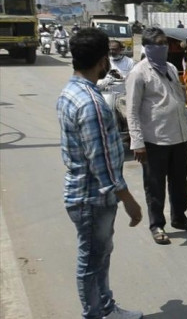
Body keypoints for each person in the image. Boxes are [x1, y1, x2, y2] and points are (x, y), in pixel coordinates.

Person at [56, 28, 143, 319]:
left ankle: (105, 308)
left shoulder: (71, 92)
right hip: (92, 197)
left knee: (98, 257)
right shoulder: (92, 104)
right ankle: (94, 314)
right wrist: (129, 200)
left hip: (85, 193)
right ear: (104, 60)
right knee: (92, 261)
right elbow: (101, 164)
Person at [126, 27, 187, 245]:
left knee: (179, 181)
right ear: (148, 47)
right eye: (157, 44)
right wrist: (137, 142)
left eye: (164, 44)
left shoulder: (170, 68)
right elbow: (131, 110)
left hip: (178, 137)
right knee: (155, 185)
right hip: (154, 140)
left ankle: (179, 217)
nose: (163, 48)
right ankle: (157, 224)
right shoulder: (139, 73)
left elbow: (179, 100)